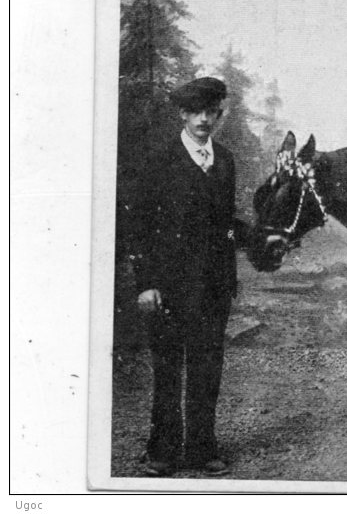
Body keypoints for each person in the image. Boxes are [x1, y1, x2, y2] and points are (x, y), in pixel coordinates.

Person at [129, 77, 241, 477]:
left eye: (212, 113)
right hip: (169, 288)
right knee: (167, 369)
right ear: (183, 113)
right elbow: (138, 224)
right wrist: (145, 283)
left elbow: (226, 224)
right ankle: (161, 451)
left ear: (219, 116)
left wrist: (256, 247)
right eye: (197, 112)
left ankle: (201, 448)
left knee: (207, 369)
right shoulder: (159, 158)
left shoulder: (224, 160)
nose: (204, 120)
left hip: (213, 287)